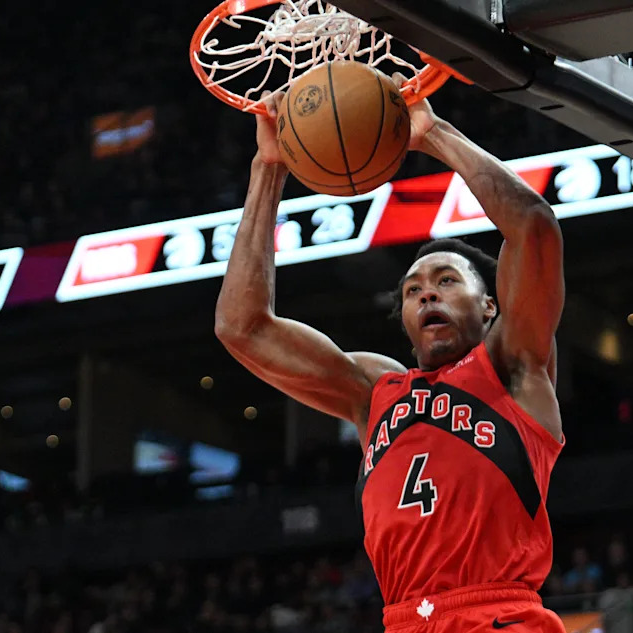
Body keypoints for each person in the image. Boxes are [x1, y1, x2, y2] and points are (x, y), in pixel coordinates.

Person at [215, 86, 566, 633]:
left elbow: (533, 226)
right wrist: (268, 168)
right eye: (413, 289)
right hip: (402, 620)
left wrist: (434, 135)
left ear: (490, 304)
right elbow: (242, 327)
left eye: (447, 281)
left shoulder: (515, 367)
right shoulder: (375, 392)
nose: (427, 294)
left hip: (495, 615)